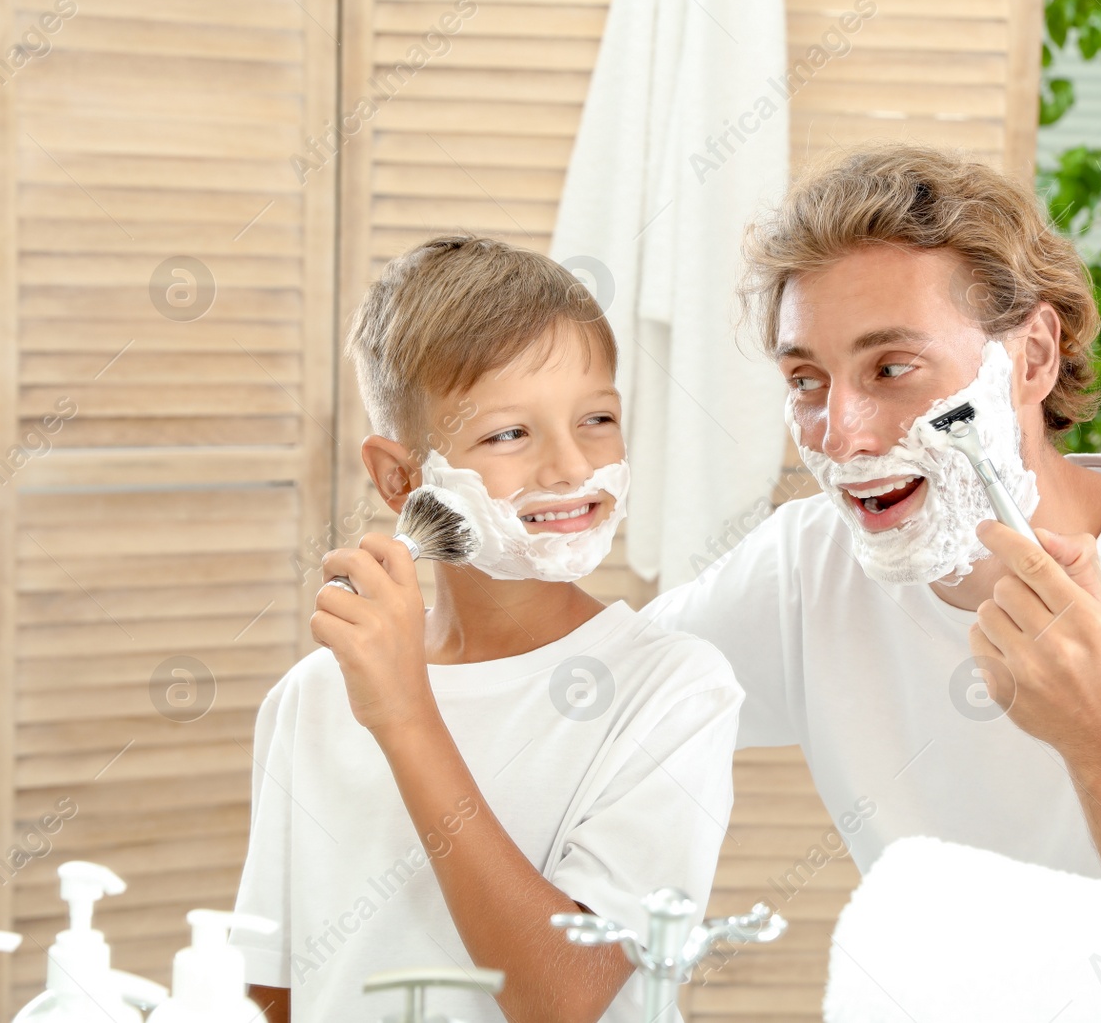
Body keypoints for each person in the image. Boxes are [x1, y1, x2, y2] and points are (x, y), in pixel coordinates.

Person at [647, 145, 1101, 925]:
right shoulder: (804, 568)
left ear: (1032, 358)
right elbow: (594, 697)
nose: (842, 435)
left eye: (892, 368)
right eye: (806, 381)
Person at [231, 236, 743, 1022]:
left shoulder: (674, 690)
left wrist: (405, 716)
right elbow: (274, 990)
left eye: (597, 418)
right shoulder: (313, 697)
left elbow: (563, 996)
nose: (571, 466)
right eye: (510, 434)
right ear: (401, 477)